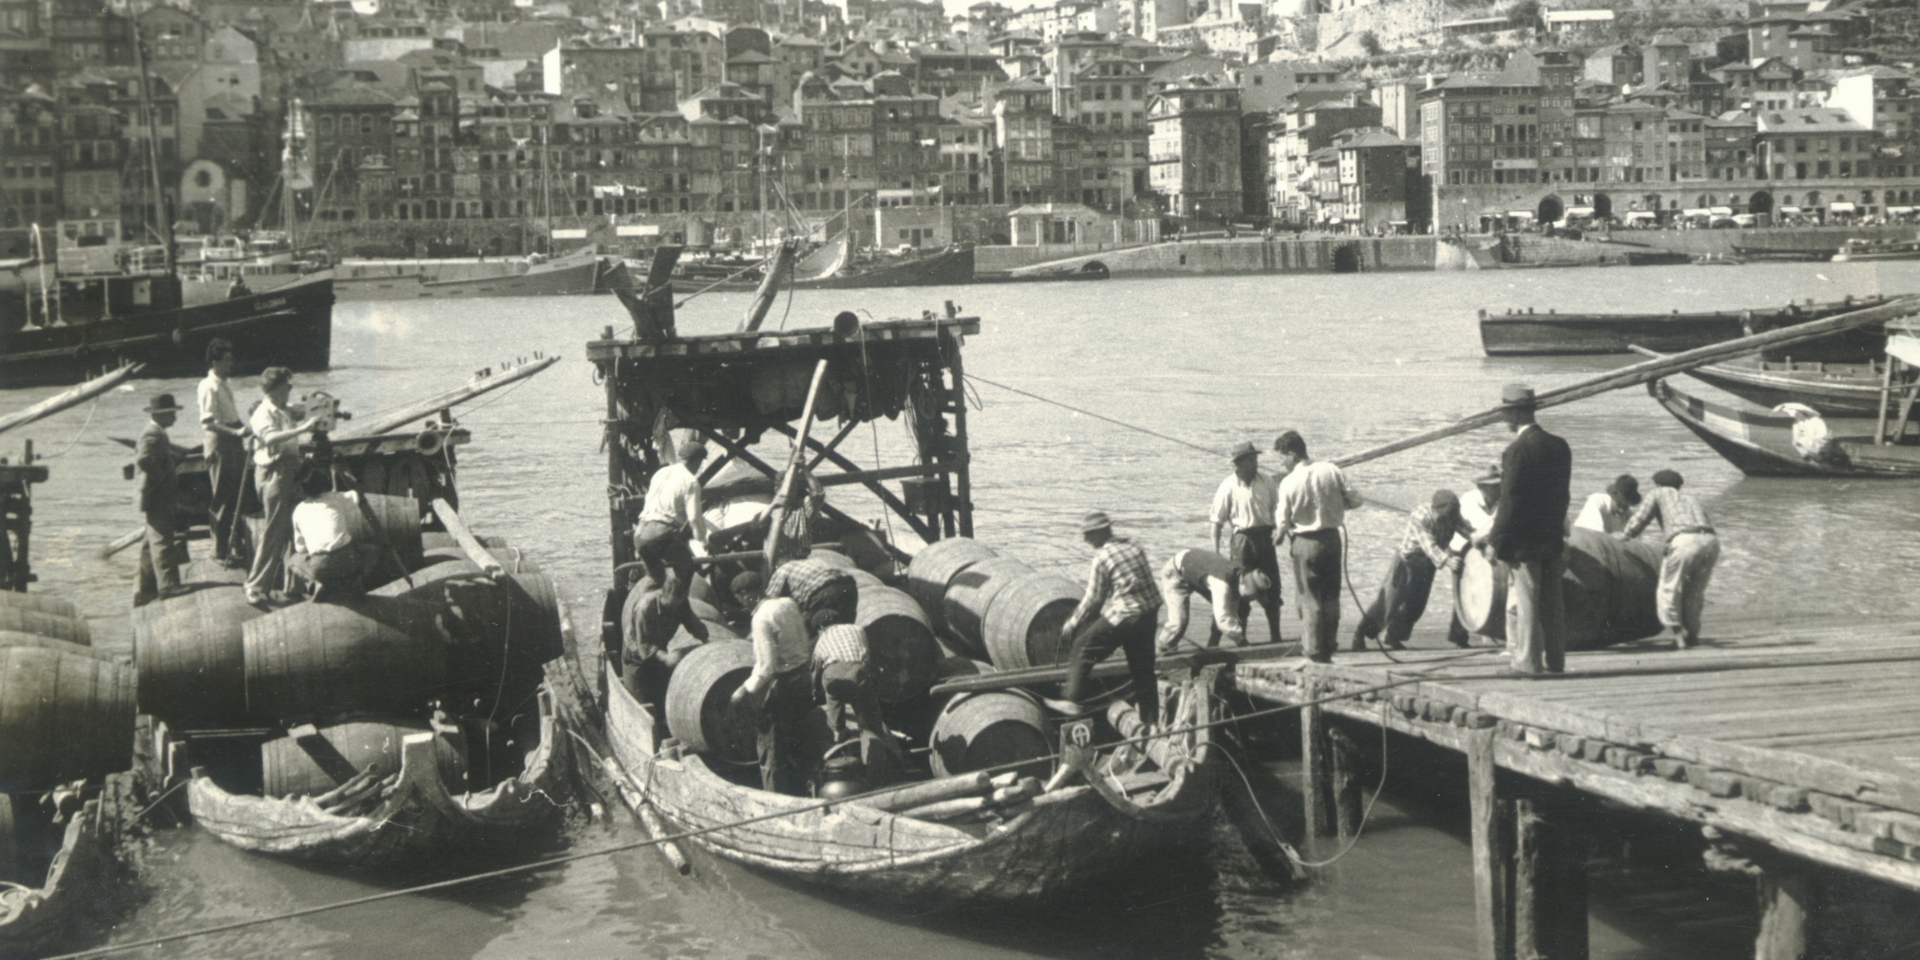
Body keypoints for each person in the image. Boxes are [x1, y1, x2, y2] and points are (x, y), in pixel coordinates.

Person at [1481, 384, 1572, 676]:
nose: (1504, 420)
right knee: (1553, 604)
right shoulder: (1560, 445)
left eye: (1507, 414)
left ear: (1517, 414)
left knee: (1528, 602)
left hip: (1524, 543)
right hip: (1551, 537)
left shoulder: (1516, 451)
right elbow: (1563, 496)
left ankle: (1527, 663)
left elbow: (1510, 502)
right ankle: (1556, 662)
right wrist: (1556, 532)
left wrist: (1495, 539)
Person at [1057, 511, 1161, 726]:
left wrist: (1074, 622)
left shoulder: (1102, 558)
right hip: (1150, 613)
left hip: (1127, 614)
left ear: (1099, 533)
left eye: (1088, 534)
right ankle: (1152, 724)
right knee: (1143, 671)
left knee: (1082, 647)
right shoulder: (1134, 545)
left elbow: (1094, 599)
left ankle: (1072, 700)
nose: (1085, 539)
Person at [1274, 429, 1363, 663]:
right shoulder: (1331, 470)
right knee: (1331, 596)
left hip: (1305, 543)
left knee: (1309, 597)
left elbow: (1282, 520)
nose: (1281, 463)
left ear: (1292, 454)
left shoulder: (1288, 482)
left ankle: (1313, 651)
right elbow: (1356, 499)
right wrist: (1335, 507)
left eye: (1281, 457)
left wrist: (1281, 532)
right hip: (1332, 540)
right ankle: (1329, 646)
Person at [1354, 490, 1474, 651]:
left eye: (1450, 516)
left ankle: (1392, 636)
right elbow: (1429, 546)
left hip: (1427, 564)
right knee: (1388, 603)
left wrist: (1482, 540)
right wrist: (1448, 560)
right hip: (1406, 561)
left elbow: (1468, 531)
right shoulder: (1421, 517)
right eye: (1443, 516)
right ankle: (1360, 635)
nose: (1446, 520)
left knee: (1416, 606)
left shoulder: (1452, 516)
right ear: (1434, 508)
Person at [730, 583, 817, 796]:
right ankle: (807, 791)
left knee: (770, 744)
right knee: (798, 737)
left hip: (784, 683)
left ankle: (774, 797)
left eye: (740, 598)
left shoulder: (760, 619)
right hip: (804, 677)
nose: (741, 604)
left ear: (747, 595)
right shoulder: (787, 604)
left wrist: (744, 690)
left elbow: (767, 666)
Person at [244, 367, 321, 607]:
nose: (290, 390)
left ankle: (293, 586)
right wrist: (304, 429)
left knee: (293, 528)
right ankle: (254, 586)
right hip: (273, 474)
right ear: (276, 388)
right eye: (288, 386)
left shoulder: (281, 409)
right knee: (274, 531)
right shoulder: (262, 413)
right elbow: (270, 438)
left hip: (289, 470)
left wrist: (318, 409)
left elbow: (295, 412)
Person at [1618, 469, 1720, 649]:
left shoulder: (1657, 493)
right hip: (1711, 543)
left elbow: (1641, 518)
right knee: (1694, 593)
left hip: (1684, 541)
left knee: (1668, 590)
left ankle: (1679, 639)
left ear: (1658, 484)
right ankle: (1693, 635)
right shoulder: (1691, 498)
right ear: (1678, 485)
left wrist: (1625, 536)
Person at [1210, 440, 1282, 644]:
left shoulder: (1267, 481)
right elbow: (1216, 522)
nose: (1254, 464)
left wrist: (1279, 529)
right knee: (1242, 593)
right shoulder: (1227, 487)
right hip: (1242, 541)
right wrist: (1216, 554)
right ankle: (1242, 639)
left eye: (1255, 459)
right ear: (1238, 464)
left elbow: (1276, 509)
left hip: (1266, 539)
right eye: (1249, 460)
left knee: (1272, 588)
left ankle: (1276, 637)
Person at [632, 439, 713, 609]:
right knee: (686, 569)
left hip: (640, 534)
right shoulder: (691, 481)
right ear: (697, 461)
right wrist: (702, 541)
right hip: (662, 533)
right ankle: (677, 612)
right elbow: (694, 518)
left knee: (656, 577)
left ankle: (641, 604)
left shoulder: (661, 473)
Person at [288, 468, 381, 602]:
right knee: (373, 551)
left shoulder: (298, 511)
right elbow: (358, 493)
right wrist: (347, 475)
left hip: (320, 566)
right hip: (348, 559)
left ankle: (315, 584)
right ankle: (356, 581)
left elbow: (300, 549)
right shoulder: (338, 498)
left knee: (292, 561)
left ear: (302, 489)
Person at [197, 338, 248, 565]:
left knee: (236, 495)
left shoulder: (224, 383)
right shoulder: (208, 386)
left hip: (233, 442)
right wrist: (236, 433)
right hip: (220, 444)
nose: (232, 364)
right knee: (221, 498)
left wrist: (245, 427)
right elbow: (208, 423)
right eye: (227, 360)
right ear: (215, 361)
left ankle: (233, 545)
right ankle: (218, 550)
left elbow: (232, 417)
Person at [134, 393, 186, 606]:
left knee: (151, 539)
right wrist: (162, 479)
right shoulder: (152, 433)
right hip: (157, 494)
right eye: (170, 414)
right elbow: (144, 459)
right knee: (162, 538)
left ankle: (147, 587)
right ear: (159, 415)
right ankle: (167, 586)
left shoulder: (157, 432)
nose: (174, 417)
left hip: (155, 493)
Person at [1154, 547, 1259, 653]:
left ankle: (1212, 645)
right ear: (1242, 583)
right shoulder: (1222, 583)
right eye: (1246, 596)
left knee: (1236, 607)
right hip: (1176, 573)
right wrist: (1241, 641)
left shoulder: (1242, 573)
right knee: (1179, 622)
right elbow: (1223, 620)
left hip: (1196, 570)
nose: (1247, 599)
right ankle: (1162, 650)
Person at [1447, 466, 1502, 647]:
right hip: (1462, 547)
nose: (1498, 489)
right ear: (1482, 487)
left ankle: (1489, 630)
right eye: (1493, 486)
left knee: (1489, 588)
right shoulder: (1469, 500)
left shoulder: (1501, 501)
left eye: (1499, 485)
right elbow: (1473, 529)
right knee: (1464, 590)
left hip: (1485, 546)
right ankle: (1458, 635)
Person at [1573, 474, 1639, 535]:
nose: (1622, 509)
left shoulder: (1629, 516)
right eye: (1620, 503)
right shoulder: (1597, 500)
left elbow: (1635, 542)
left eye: (1626, 506)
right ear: (1614, 496)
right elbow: (1594, 533)